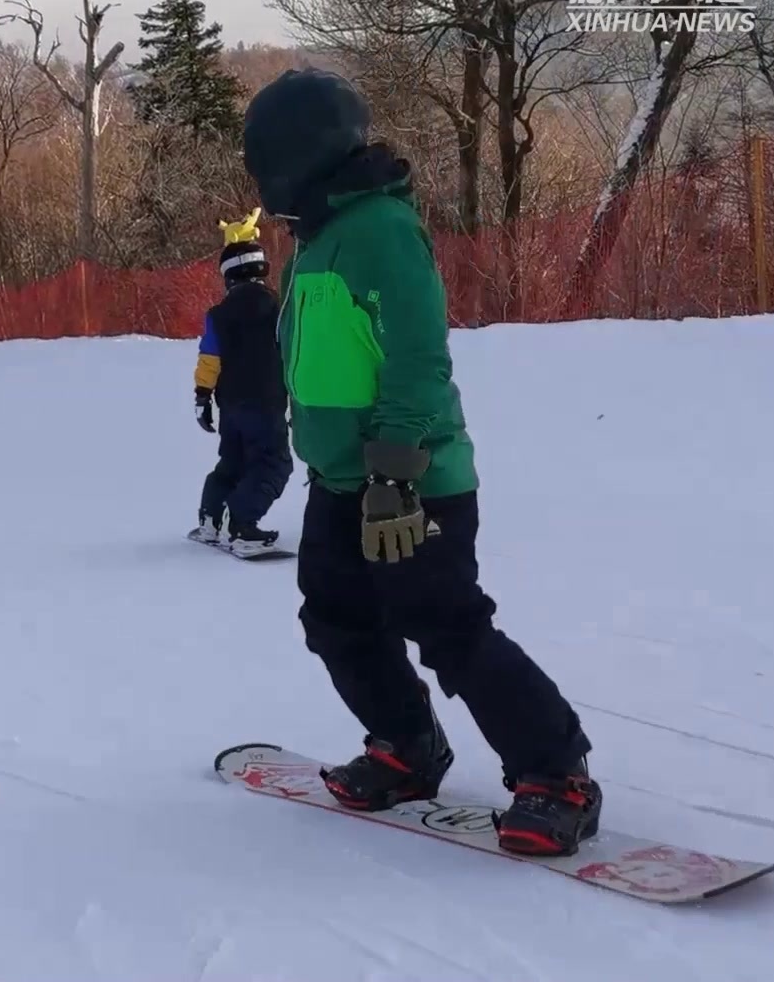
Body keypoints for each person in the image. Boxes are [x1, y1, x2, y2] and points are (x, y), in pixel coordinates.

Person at [241, 67, 600, 856]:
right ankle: (407, 745)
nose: (260, 183)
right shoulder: (313, 241)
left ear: (301, 153)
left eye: (264, 161)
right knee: (336, 619)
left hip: (411, 483)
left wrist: (395, 473)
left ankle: (556, 773)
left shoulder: (378, 229)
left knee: (446, 626)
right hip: (340, 482)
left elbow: (415, 359)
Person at [189, 206, 294, 555]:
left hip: (231, 406)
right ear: (262, 268)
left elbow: (209, 358)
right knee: (273, 464)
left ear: (228, 276)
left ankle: (210, 518)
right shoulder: (278, 309)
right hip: (266, 403)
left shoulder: (218, 315)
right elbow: (294, 352)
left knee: (233, 461)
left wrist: (203, 397)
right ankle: (242, 523)